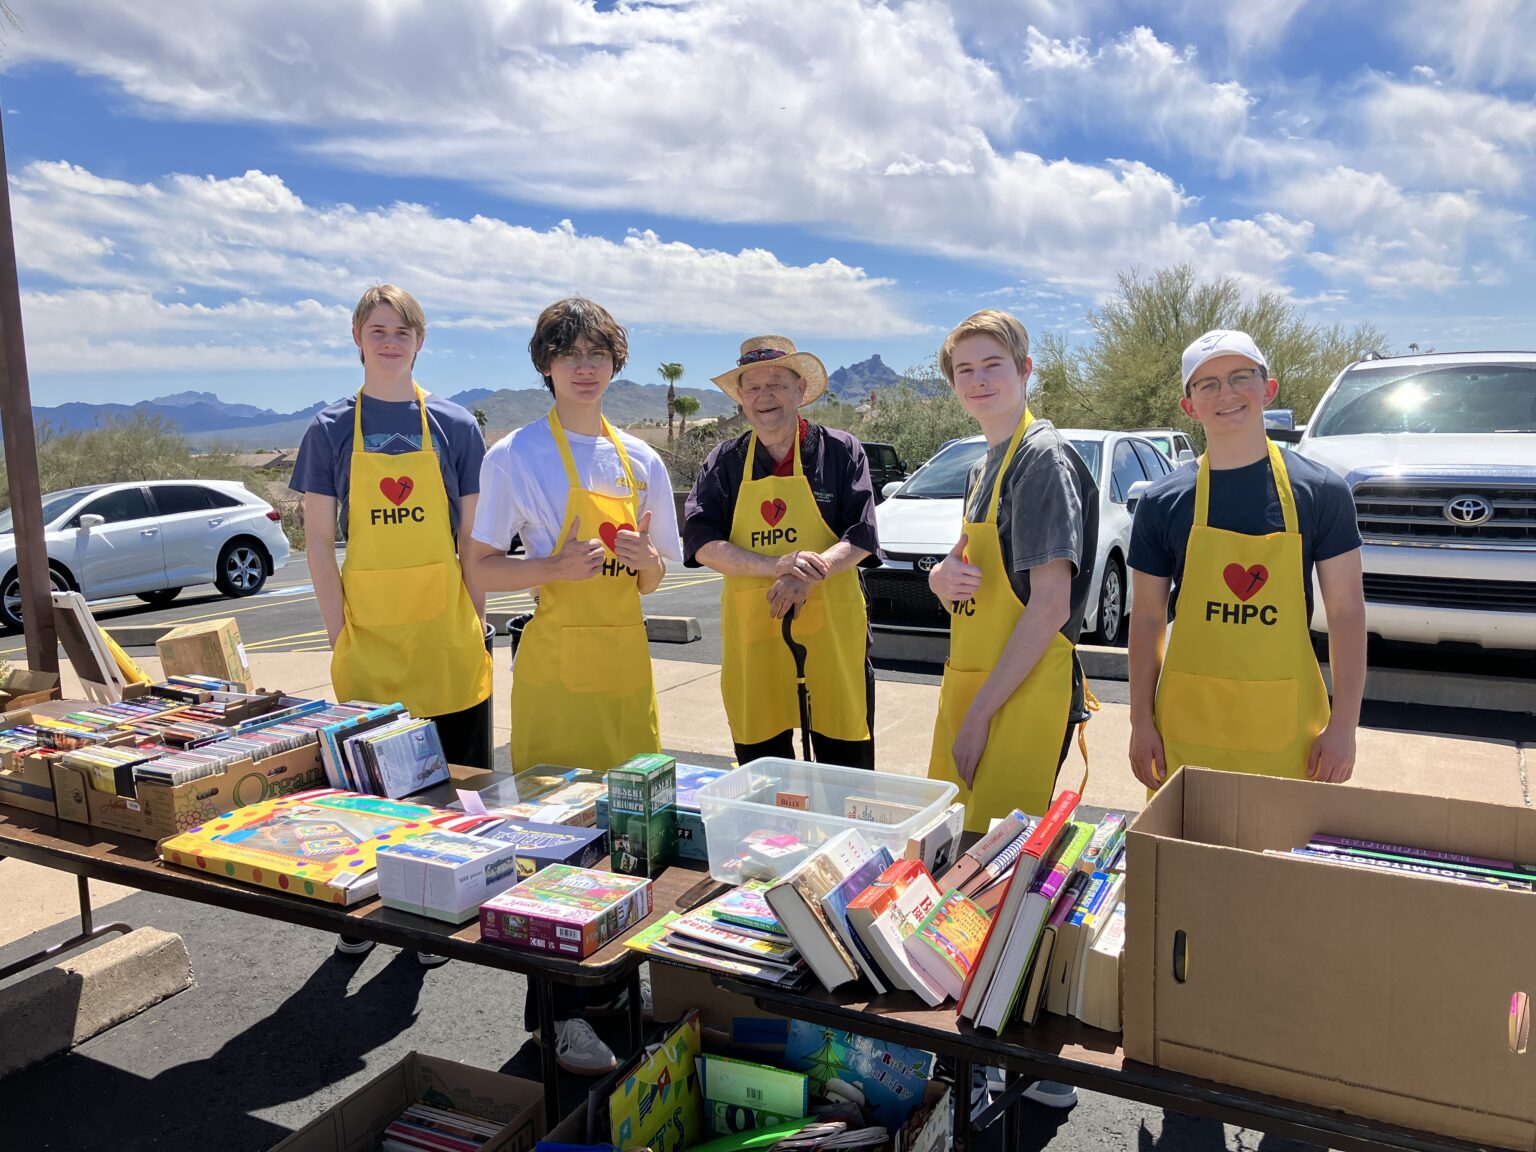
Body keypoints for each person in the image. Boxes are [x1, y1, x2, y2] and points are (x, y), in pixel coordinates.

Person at [465, 297, 680, 1076]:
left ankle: (616, 990)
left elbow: (659, 573)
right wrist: (551, 567)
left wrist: (646, 563)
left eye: (597, 353)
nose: (584, 367)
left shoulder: (642, 461)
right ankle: (557, 1016)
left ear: (615, 363)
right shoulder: (513, 455)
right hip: (555, 668)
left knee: (632, 836)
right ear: (546, 365)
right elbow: (479, 567)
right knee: (554, 844)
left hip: (626, 670)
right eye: (568, 353)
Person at [924, 308, 1096, 1112]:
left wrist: (979, 716)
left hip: (1015, 698)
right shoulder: (987, 461)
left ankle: (1029, 1063)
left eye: (993, 364)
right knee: (978, 873)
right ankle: (987, 1043)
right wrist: (939, 578)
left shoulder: (1041, 458)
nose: (979, 380)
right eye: (964, 370)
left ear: (1026, 370)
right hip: (981, 687)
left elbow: (1050, 605)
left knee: (1009, 878)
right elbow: (977, 571)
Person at [292, 283, 493, 968]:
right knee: (367, 793)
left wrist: (475, 621)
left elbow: (473, 542)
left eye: (401, 331)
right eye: (377, 330)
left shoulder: (456, 426)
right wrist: (337, 634)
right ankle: (360, 910)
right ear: (357, 338)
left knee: (446, 789)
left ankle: (432, 916)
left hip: (445, 632)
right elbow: (320, 543)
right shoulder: (328, 429)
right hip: (370, 637)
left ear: (419, 340)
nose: (389, 342)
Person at [1127, 329, 1365, 791]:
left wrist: (1343, 727)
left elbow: (1347, 612)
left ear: (1268, 388)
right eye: (1208, 384)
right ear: (1189, 406)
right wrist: (1140, 722)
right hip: (1185, 731)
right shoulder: (1162, 502)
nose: (1227, 393)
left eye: (1241, 377)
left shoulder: (1322, 493)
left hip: (1290, 736)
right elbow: (1148, 618)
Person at [684, 336, 879, 767]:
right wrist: (776, 566)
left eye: (776, 384)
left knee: (845, 770)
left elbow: (862, 535)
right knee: (763, 773)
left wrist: (809, 572)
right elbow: (701, 542)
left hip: (833, 639)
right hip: (754, 636)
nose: (763, 396)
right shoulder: (724, 462)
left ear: (800, 390)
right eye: (752, 387)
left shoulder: (841, 451)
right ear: (741, 398)